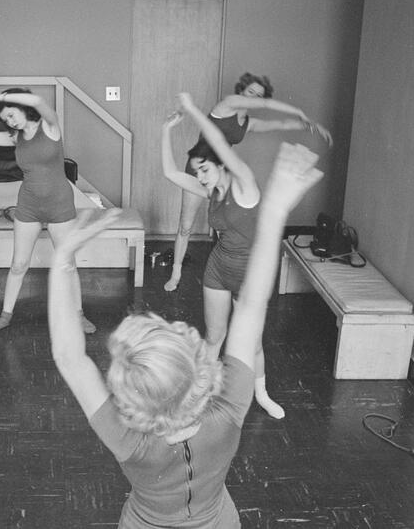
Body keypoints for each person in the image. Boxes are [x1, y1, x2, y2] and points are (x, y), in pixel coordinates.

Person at [47, 142, 322, 528]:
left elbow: (68, 356)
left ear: (130, 399)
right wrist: (274, 212)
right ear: (196, 369)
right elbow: (251, 304)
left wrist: (62, 259)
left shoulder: (127, 439)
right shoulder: (230, 409)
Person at [160, 93, 287, 419]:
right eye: (198, 172)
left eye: (204, 170)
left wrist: (192, 110)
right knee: (214, 337)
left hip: (250, 275)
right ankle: (198, 396)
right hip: (219, 268)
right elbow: (171, 173)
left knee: (252, 344)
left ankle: (262, 395)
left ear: (221, 164)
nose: (200, 177)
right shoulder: (210, 189)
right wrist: (166, 131)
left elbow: (217, 141)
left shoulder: (245, 186)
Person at [0, 87, 96, 335]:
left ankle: (79, 314)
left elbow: (37, 100)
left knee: (67, 263)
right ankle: (5, 316)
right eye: (5, 119)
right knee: (18, 264)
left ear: (23, 108)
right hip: (28, 205)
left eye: (11, 115)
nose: (10, 121)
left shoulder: (50, 126)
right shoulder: (16, 137)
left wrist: (0, 98)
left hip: (60, 204)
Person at [164, 72, 331, 293]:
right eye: (250, 92)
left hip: (221, 175)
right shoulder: (227, 105)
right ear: (241, 91)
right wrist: (298, 111)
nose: (253, 97)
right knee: (185, 226)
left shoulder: (248, 123)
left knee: (227, 225)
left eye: (258, 95)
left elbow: (280, 124)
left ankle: (223, 273)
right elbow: (267, 104)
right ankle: (175, 273)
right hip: (201, 170)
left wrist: (311, 126)